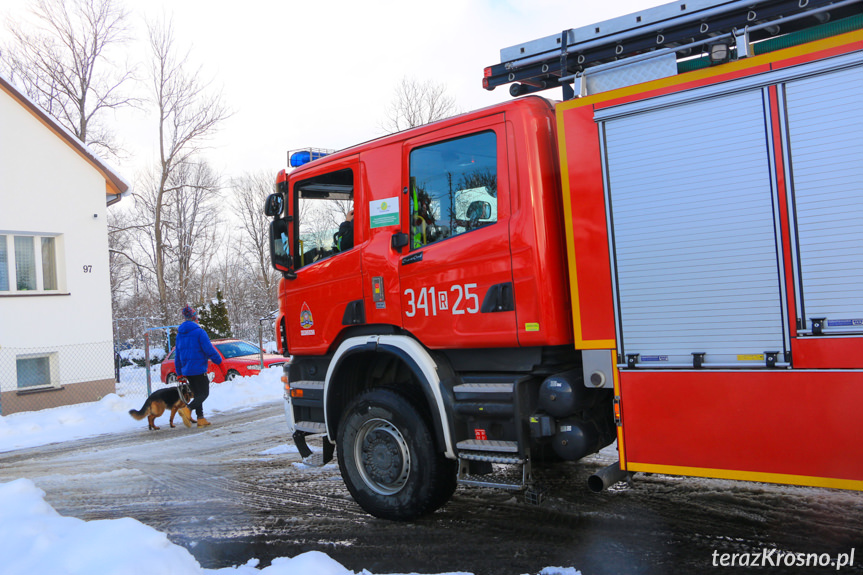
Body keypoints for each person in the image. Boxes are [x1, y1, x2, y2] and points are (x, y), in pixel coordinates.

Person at [175, 305, 223, 428]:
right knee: (204, 393)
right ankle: (187, 409)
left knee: (197, 394)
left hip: (187, 370)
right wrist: (218, 360)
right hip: (198, 368)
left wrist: (179, 372)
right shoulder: (199, 332)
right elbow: (208, 349)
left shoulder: (180, 334)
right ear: (194, 317)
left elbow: (178, 355)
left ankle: (200, 418)